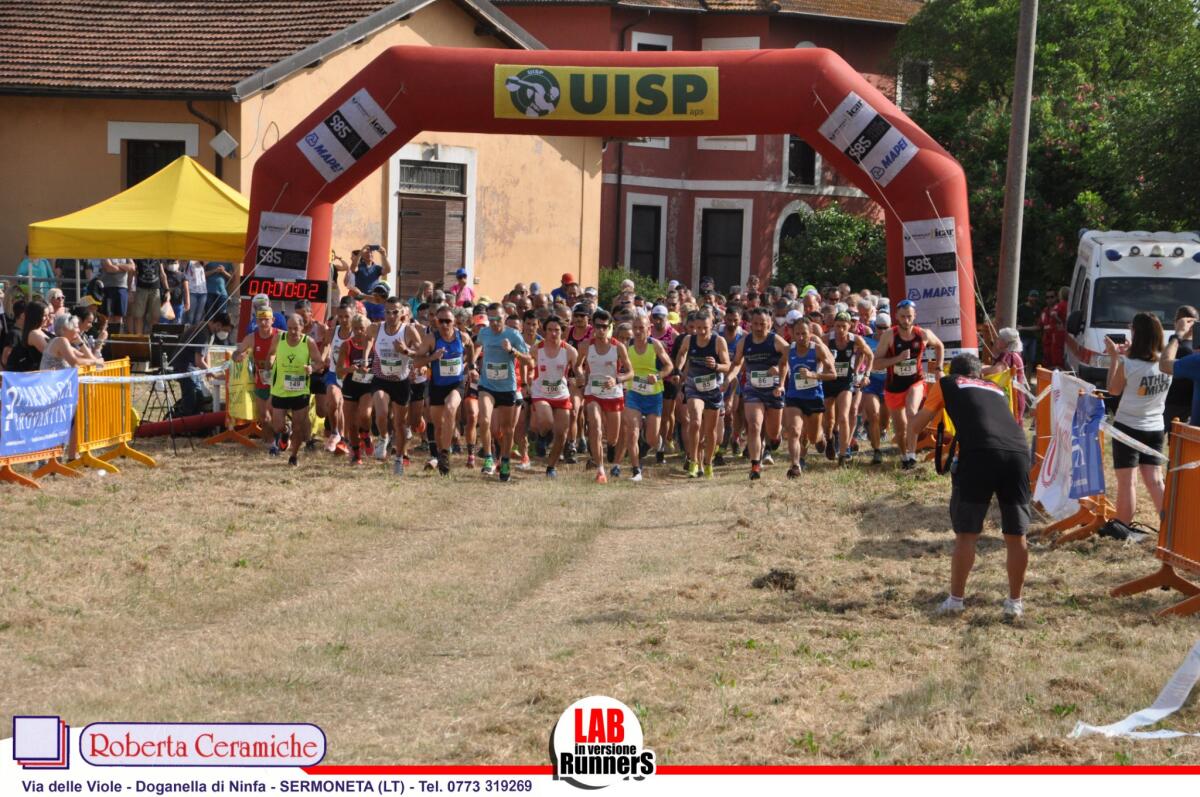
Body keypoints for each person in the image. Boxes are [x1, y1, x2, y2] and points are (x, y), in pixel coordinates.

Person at [907, 353, 1030, 619]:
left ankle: (956, 601)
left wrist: (910, 432)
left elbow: (916, 425)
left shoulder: (948, 383)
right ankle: (1015, 603)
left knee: (967, 534)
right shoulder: (997, 389)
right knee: (1016, 534)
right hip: (1019, 453)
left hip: (979, 454)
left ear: (955, 372)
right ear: (980, 374)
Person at [1108, 312, 1172, 523]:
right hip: (1155, 426)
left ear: (1136, 333)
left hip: (1128, 427)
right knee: (1155, 480)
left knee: (1128, 483)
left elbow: (1114, 390)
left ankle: (1123, 527)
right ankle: (1171, 527)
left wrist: (1115, 358)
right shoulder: (1167, 363)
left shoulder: (1129, 364)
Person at [872, 299, 944, 469]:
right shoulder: (889, 335)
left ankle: (912, 455)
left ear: (914, 316)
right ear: (896, 316)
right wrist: (897, 359)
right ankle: (905, 455)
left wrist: (939, 368)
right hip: (894, 387)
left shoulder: (922, 334)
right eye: (903, 317)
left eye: (909, 317)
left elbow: (939, 345)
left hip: (915, 381)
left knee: (912, 412)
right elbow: (876, 364)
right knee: (900, 429)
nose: (906, 320)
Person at [413, 304, 476, 475]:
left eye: (448, 321)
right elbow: (416, 362)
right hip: (437, 386)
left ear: (454, 322)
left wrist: (471, 366)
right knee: (439, 426)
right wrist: (433, 357)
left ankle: (445, 454)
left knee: (450, 409)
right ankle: (441, 456)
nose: (444, 325)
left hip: (456, 384)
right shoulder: (431, 339)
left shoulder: (461, 337)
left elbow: (470, 346)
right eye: (441, 321)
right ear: (436, 322)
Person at [475, 302, 532, 481]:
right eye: (490, 319)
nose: (494, 323)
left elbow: (529, 361)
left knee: (508, 430)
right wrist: (472, 362)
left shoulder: (513, 335)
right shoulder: (484, 333)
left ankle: (505, 460)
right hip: (487, 385)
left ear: (505, 318)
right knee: (484, 420)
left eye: (497, 319)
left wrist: (513, 351)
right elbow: (476, 345)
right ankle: (489, 457)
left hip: (507, 387)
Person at [366, 298, 422, 475]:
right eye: (388, 312)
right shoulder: (376, 328)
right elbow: (366, 340)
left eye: (395, 312)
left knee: (400, 423)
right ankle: (383, 437)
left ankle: (398, 458)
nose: (391, 315)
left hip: (401, 381)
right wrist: (366, 356)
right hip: (380, 378)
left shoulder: (409, 331)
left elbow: (421, 353)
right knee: (381, 413)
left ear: (402, 313)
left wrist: (406, 350)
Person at [731, 307, 788, 480]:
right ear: (749, 324)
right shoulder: (745, 342)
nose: (759, 327)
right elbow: (736, 363)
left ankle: (774, 439)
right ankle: (755, 465)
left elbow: (790, 358)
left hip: (774, 390)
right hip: (753, 389)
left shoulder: (776, 340)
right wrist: (729, 378)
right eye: (755, 324)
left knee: (773, 432)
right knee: (754, 425)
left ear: (769, 324)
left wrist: (778, 369)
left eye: (762, 324)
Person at [576, 309, 631, 483]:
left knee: (613, 438)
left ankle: (609, 451)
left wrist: (617, 379)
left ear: (609, 328)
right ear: (593, 326)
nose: (601, 330)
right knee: (596, 426)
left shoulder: (618, 347)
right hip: (593, 393)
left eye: (604, 327)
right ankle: (600, 470)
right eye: (598, 326)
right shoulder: (586, 346)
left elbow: (630, 372)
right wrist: (580, 375)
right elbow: (577, 365)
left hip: (613, 395)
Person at [676, 308, 731, 479]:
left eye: (704, 328)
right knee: (695, 422)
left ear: (711, 326)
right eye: (697, 328)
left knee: (710, 431)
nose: (700, 332)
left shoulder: (718, 341)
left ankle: (707, 462)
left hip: (713, 389)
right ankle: (692, 460)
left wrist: (716, 366)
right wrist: (679, 369)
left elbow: (727, 365)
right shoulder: (688, 339)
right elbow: (682, 354)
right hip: (693, 387)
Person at [782, 313, 835, 478]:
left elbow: (832, 374)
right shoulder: (788, 349)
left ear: (810, 333)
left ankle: (821, 438)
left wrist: (814, 375)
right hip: (794, 396)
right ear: (792, 333)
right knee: (794, 430)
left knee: (812, 437)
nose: (800, 337)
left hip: (814, 397)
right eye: (797, 333)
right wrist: (779, 381)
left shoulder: (817, 349)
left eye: (803, 333)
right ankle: (795, 465)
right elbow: (782, 365)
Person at [621, 312, 673, 481]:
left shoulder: (655, 345)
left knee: (651, 439)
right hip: (634, 393)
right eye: (635, 328)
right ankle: (636, 470)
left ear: (648, 330)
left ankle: (650, 442)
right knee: (632, 432)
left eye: (641, 328)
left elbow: (669, 366)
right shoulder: (627, 346)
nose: (637, 331)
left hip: (653, 394)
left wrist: (657, 376)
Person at [268, 313, 324, 466]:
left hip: (300, 390)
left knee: (299, 426)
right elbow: (271, 354)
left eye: (296, 329)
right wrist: (271, 363)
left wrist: (312, 368)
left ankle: (293, 456)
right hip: (280, 389)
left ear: (302, 327)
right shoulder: (279, 338)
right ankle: (286, 432)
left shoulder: (308, 342)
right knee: (277, 425)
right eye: (290, 328)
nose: (292, 332)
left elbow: (320, 362)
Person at [822, 311, 874, 466]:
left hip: (846, 382)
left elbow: (870, 355)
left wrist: (866, 374)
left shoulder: (855, 340)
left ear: (849, 326)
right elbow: (816, 355)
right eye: (837, 326)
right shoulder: (826, 339)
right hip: (828, 381)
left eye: (844, 327)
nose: (840, 330)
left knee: (844, 416)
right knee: (829, 420)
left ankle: (844, 454)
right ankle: (830, 439)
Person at [529, 316, 577, 478]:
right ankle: (542, 437)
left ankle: (551, 467)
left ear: (562, 332)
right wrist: (526, 383)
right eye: (550, 330)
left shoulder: (570, 351)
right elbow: (525, 364)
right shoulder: (536, 349)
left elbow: (578, 371)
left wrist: (579, 378)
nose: (553, 333)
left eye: (557, 330)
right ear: (545, 331)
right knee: (547, 421)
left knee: (562, 434)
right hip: (541, 392)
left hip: (561, 394)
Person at [232, 309, 280, 451]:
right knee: (263, 417)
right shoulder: (251, 338)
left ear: (273, 321)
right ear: (256, 321)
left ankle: (278, 439)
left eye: (266, 319)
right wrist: (237, 357)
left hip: (277, 380)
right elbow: (237, 352)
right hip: (261, 379)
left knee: (272, 412)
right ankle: (271, 443)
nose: (263, 323)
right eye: (260, 320)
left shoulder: (281, 336)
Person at [336, 313, 377, 465]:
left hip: (368, 384)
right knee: (351, 423)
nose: (359, 332)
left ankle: (365, 435)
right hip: (351, 385)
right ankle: (356, 453)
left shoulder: (374, 343)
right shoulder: (347, 345)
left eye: (362, 329)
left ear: (367, 329)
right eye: (355, 329)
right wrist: (350, 369)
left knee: (365, 414)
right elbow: (339, 370)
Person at [860, 314, 891, 464]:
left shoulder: (893, 341)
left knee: (884, 422)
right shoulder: (866, 340)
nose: (882, 331)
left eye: (886, 328)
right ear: (875, 327)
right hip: (871, 384)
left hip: (888, 384)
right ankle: (877, 451)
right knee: (874, 415)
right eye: (879, 328)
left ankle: (879, 430)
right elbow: (858, 358)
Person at [1159, 305, 1198, 427]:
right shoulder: (1195, 350)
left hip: (1175, 403)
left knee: (1175, 443)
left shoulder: (1180, 348)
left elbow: (1164, 365)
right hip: (1187, 404)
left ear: (1177, 323)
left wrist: (1178, 334)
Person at [983, 328, 1028, 418]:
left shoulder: (1008, 355)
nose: (997, 340)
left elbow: (997, 370)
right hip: (1016, 395)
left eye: (1000, 339)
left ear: (1006, 342)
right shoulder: (1015, 353)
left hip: (1013, 397)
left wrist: (979, 370)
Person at [128, 259, 167, 335]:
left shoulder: (158, 256)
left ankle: (151, 338)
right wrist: (129, 289)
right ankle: (139, 340)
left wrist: (167, 290)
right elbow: (132, 272)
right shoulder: (138, 255)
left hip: (155, 289)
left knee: (155, 316)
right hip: (141, 289)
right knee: (138, 315)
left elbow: (162, 274)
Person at [100, 258, 135, 332]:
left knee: (119, 316)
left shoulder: (126, 254)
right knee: (108, 316)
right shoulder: (105, 252)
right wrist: (125, 268)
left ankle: (116, 337)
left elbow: (132, 267)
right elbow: (109, 268)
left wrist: (116, 266)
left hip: (122, 288)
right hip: (107, 288)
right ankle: (107, 339)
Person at [1016, 290, 1041, 366]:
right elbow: (1016, 321)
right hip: (1021, 337)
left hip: (1032, 337)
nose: (1033, 299)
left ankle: (1028, 377)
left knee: (1031, 360)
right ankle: (1020, 376)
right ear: (1028, 297)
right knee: (1020, 358)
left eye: (1035, 297)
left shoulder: (1037, 309)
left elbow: (1038, 326)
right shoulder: (1021, 308)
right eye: (1032, 296)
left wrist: (1023, 328)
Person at [183, 261, 208, 325]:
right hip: (192, 292)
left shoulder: (202, 262)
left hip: (203, 292)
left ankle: (195, 333)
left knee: (198, 317)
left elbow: (207, 261)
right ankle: (188, 333)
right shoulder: (189, 262)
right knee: (190, 316)